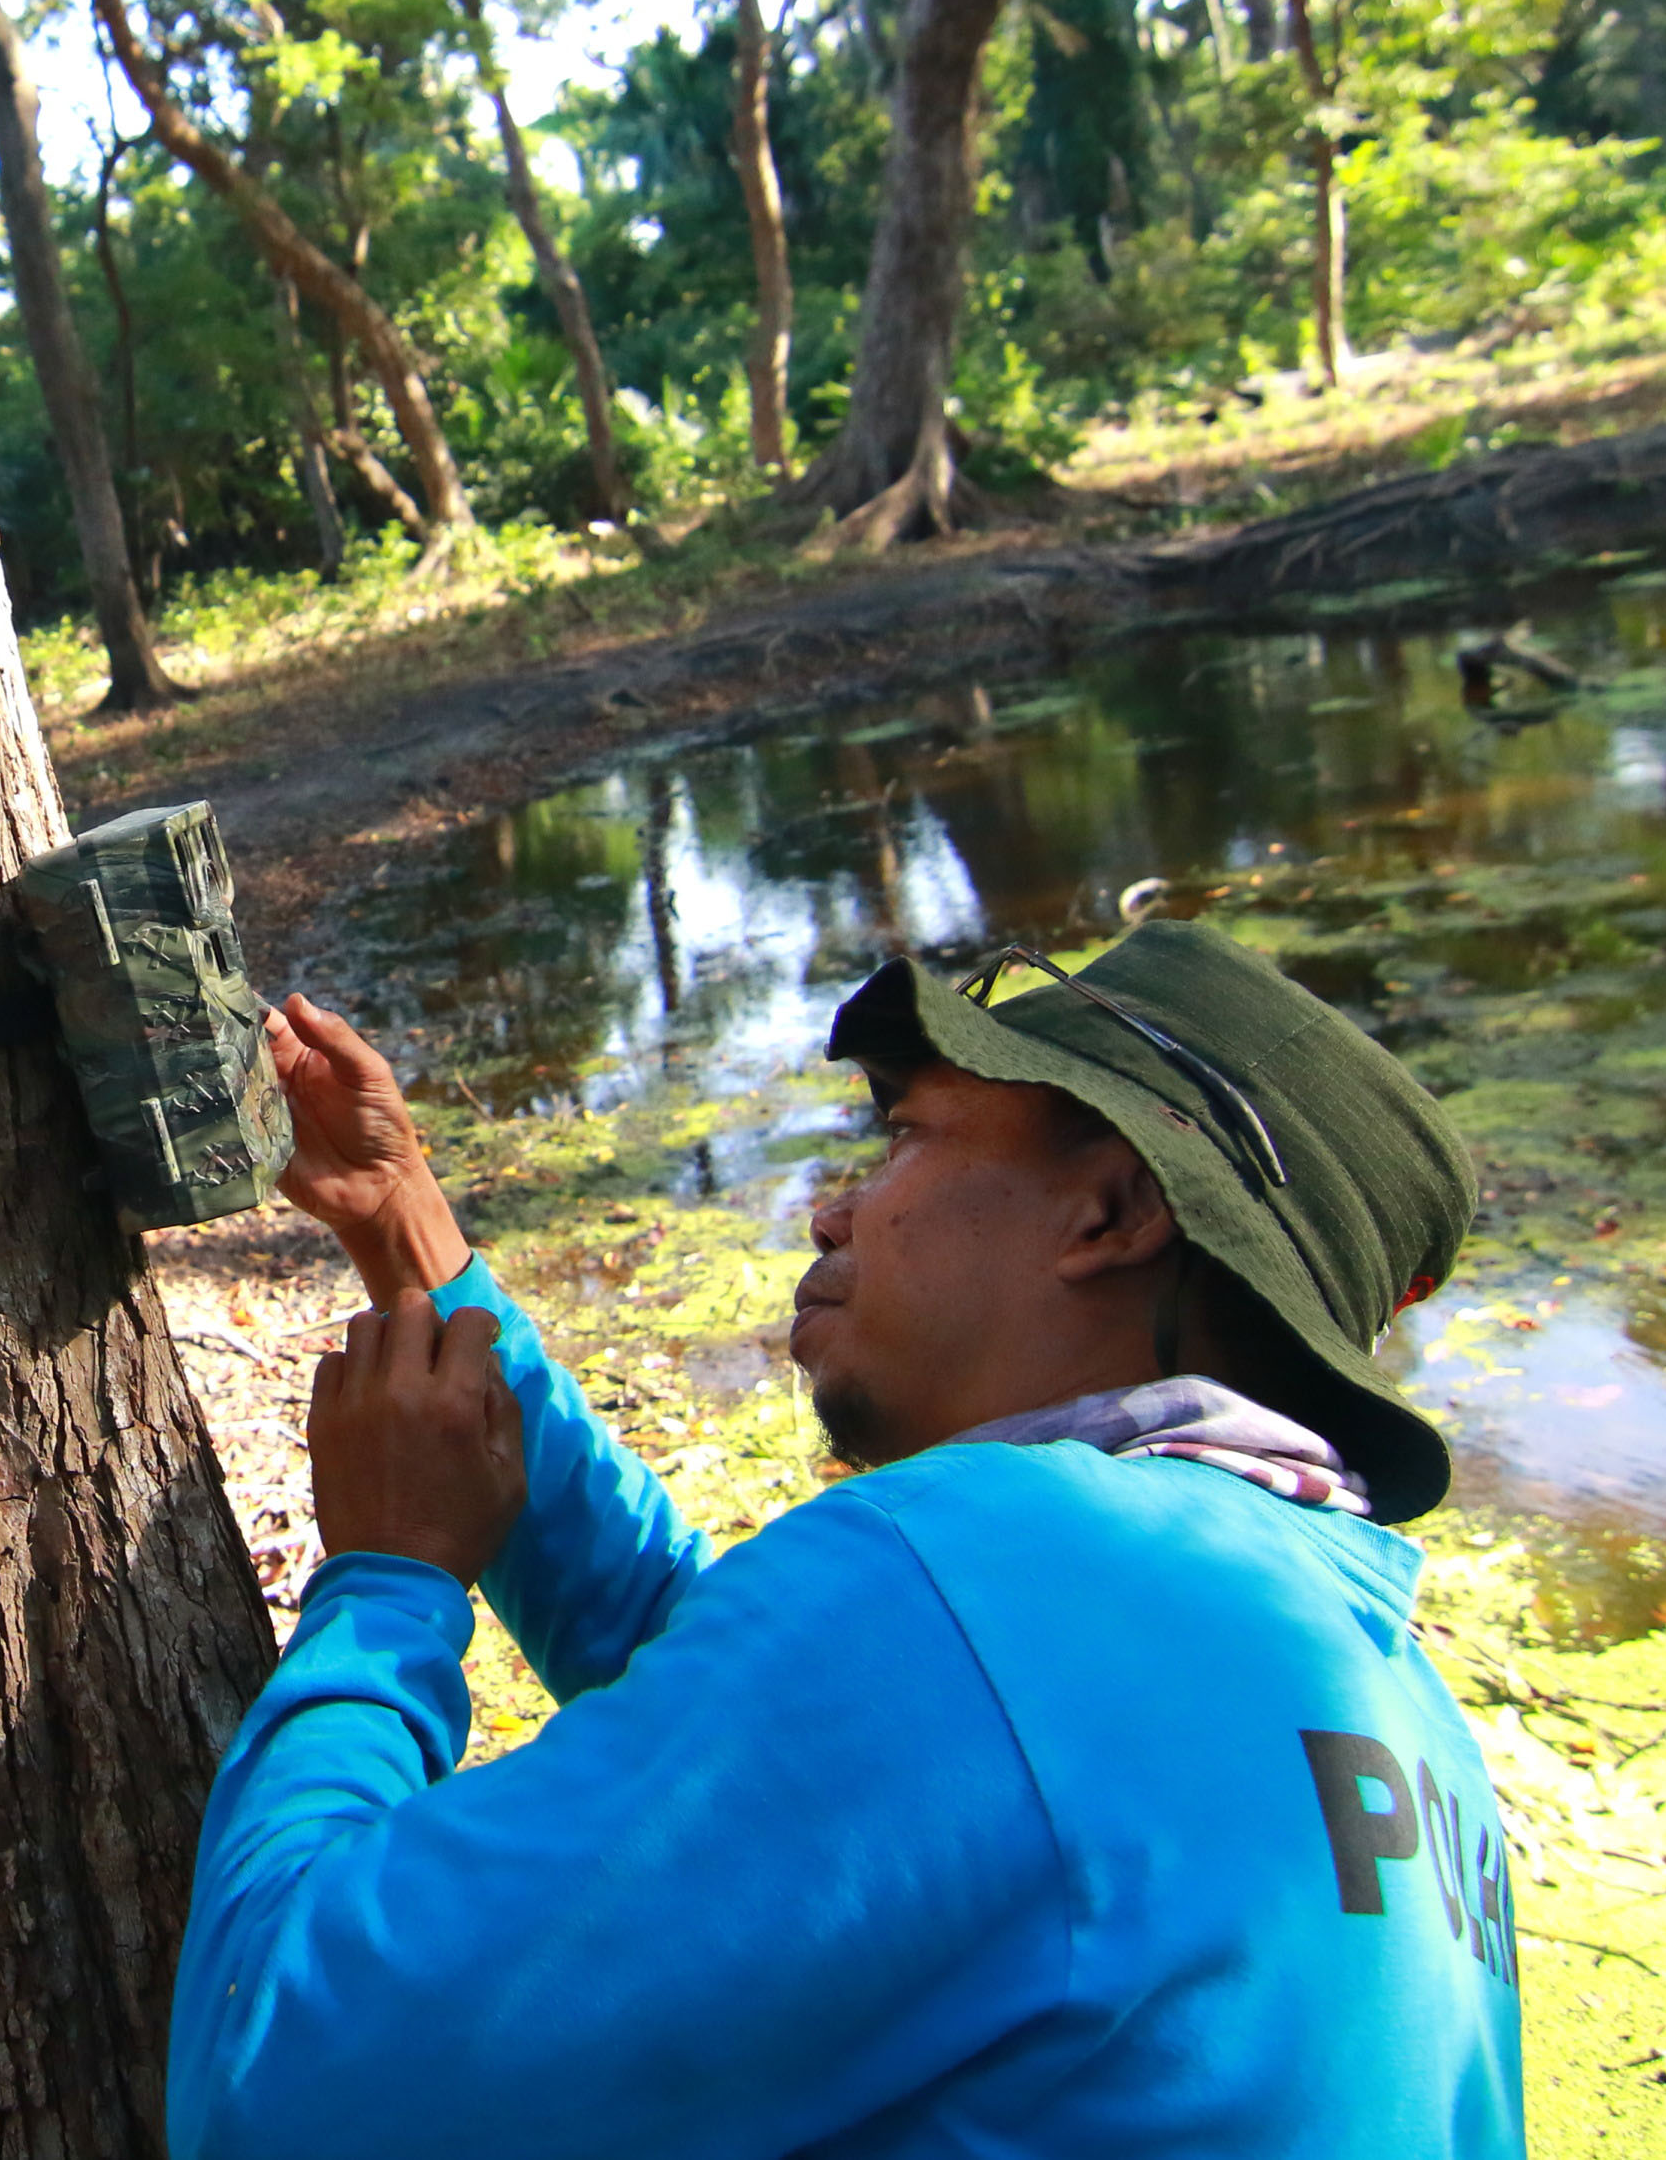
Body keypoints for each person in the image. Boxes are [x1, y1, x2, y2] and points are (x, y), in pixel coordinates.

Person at [180, 924, 1520, 2158]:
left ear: (1112, 1212)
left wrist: (391, 1583)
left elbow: (288, 2078)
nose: (832, 1212)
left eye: (908, 1140)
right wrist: (398, 1217)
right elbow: (740, 1681)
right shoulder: (1378, 1701)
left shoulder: (1001, 1573)